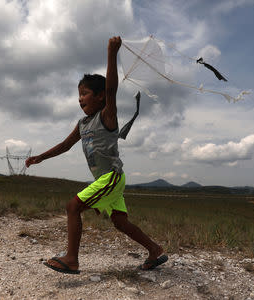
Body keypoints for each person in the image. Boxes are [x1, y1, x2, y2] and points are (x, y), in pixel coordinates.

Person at [26, 36, 167, 274]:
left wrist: (111, 53)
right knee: (120, 222)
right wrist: (40, 157)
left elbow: (111, 88)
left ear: (100, 96)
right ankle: (155, 249)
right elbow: (65, 145)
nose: (80, 98)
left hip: (111, 177)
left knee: (73, 207)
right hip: (108, 180)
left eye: (85, 93)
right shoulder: (82, 124)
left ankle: (71, 259)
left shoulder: (107, 116)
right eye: (78, 94)